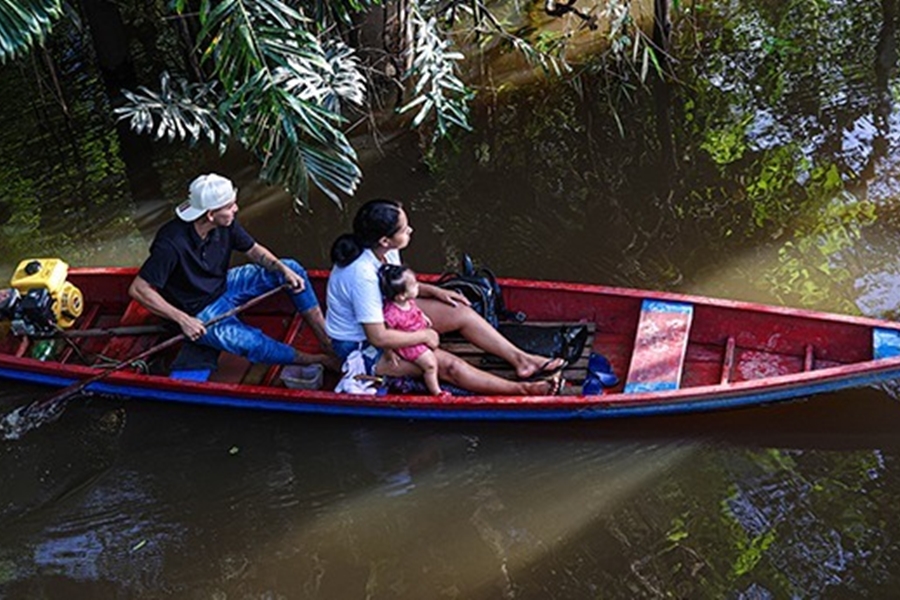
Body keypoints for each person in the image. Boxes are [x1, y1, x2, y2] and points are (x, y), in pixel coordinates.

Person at [325, 199, 564, 396]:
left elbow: (398, 285)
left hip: (390, 311)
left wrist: (436, 291)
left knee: (459, 311)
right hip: (362, 344)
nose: (410, 230)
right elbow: (377, 337)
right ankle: (524, 389)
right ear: (384, 240)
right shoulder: (362, 275)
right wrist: (424, 335)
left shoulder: (386, 250)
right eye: (404, 228)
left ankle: (522, 360)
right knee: (446, 365)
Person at [129, 173, 337, 369]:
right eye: (229, 206)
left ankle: (326, 341)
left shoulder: (225, 223)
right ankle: (316, 360)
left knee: (292, 268)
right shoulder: (171, 243)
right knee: (251, 344)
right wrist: (183, 320)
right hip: (198, 310)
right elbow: (139, 289)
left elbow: (253, 250)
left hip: (225, 284)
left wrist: (281, 269)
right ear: (210, 214)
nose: (236, 209)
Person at [378, 263, 448, 396]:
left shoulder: (408, 301)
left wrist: (423, 316)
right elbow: (387, 335)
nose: (418, 286)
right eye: (414, 285)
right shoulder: (391, 314)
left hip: (417, 332)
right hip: (408, 344)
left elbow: (415, 310)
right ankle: (436, 391)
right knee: (431, 365)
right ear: (401, 296)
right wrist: (389, 352)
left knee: (434, 346)